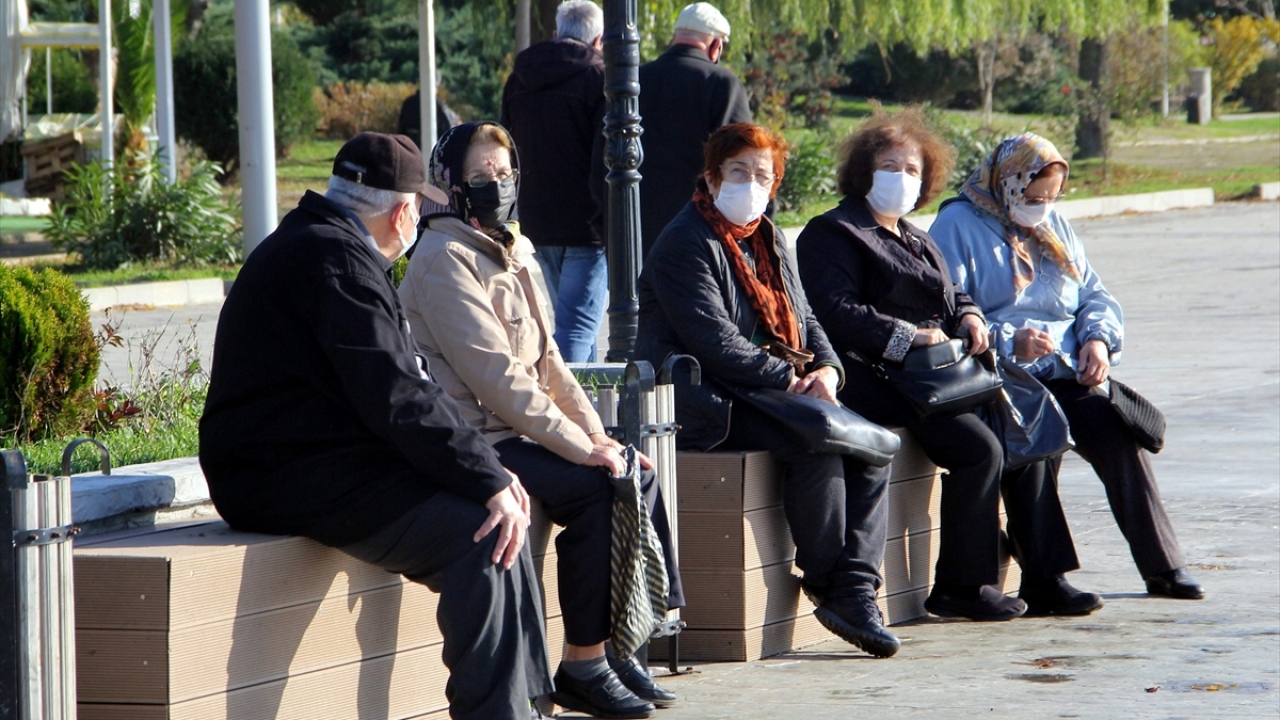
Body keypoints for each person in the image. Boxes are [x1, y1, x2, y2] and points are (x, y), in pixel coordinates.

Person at [199, 132, 551, 720]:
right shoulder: (337, 263)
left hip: (311, 461)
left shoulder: (324, 243)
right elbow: (399, 395)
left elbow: (397, 393)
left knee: (498, 514)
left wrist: (488, 475)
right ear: (403, 211)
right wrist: (487, 478)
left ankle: (531, 706)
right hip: (281, 476)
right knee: (485, 535)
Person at [399, 120, 685, 719]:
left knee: (634, 470)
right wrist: (582, 453)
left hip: (521, 430)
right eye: (479, 177)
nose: (495, 185)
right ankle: (583, 663)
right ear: (449, 183)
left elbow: (551, 364)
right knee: (596, 486)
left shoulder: (513, 247)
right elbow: (497, 379)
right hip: (482, 439)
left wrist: (600, 437)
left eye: (503, 174)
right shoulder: (442, 257)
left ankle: (624, 643)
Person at [795, 109, 1102, 620]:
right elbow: (834, 311)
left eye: (912, 169)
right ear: (864, 169)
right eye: (890, 165)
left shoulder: (915, 235)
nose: (902, 178)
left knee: (1026, 431)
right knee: (979, 448)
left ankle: (1046, 577)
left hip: (940, 372)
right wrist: (908, 337)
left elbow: (954, 293)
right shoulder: (833, 231)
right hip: (878, 376)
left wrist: (972, 316)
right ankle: (961, 586)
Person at [636, 122, 900, 658]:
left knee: (872, 447)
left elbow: (807, 319)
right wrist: (792, 380)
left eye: (764, 175)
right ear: (712, 178)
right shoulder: (685, 242)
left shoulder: (770, 237)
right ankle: (830, 583)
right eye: (739, 172)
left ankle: (854, 590)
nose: (751, 184)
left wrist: (827, 370)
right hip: (707, 395)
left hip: (777, 386)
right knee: (817, 442)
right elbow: (714, 342)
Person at [930, 132, 1205, 601]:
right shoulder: (957, 226)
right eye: (1035, 196)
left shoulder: (1053, 225)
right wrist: (1010, 339)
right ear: (1008, 180)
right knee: (1036, 438)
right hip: (1003, 374)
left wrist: (1098, 340)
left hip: (1061, 369)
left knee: (1117, 433)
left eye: (1052, 197)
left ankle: (1163, 565)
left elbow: (1094, 294)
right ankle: (1045, 578)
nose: (1042, 206)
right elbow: (948, 313)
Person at [501, 0, 609, 362]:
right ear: (599, 39)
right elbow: (605, 155)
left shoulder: (520, 79)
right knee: (577, 326)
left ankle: (592, 410)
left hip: (537, 217)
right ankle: (568, 411)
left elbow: (506, 145)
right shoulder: (599, 77)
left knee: (575, 325)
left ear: (555, 33)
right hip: (586, 223)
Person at [637, 2, 752, 259]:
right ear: (716, 46)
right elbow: (744, 160)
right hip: (699, 231)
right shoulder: (722, 84)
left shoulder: (635, 80)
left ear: (676, 37)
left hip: (635, 229)